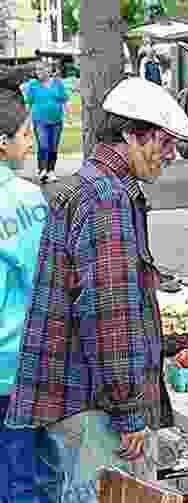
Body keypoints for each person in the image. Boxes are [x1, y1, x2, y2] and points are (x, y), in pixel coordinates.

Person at [4, 77, 188, 502]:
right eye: (165, 142)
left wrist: (164, 344)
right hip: (95, 406)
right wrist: (129, 410)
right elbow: (109, 314)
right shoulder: (107, 198)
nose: (172, 154)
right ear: (131, 134)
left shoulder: (88, 185)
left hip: (78, 397)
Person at [0, 85, 50, 502]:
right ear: (3, 143)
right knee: (20, 482)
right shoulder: (23, 200)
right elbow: (43, 283)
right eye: (26, 133)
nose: (31, 142)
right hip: (12, 370)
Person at [22, 60, 70, 184]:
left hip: (56, 121)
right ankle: (42, 170)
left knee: (53, 147)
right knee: (43, 146)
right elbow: (29, 104)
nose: (38, 72)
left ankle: (51, 171)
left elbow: (64, 100)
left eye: (41, 69)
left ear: (48, 70)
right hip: (39, 121)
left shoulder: (57, 83)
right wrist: (26, 124)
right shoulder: (33, 86)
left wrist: (68, 115)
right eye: (37, 70)